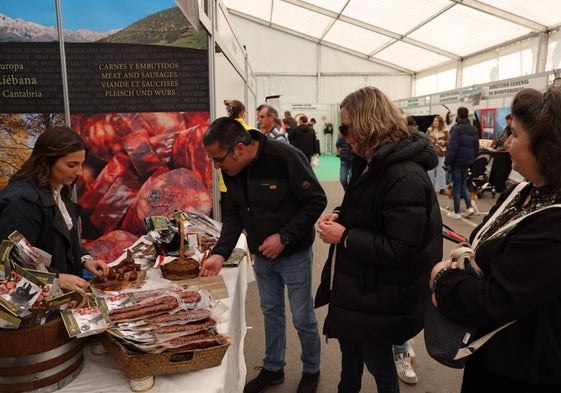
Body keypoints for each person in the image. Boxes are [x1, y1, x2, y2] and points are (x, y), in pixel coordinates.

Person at [429, 87, 561, 393]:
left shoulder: (554, 224)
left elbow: (494, 299)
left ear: (546, 146)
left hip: (522, 367)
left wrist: (441, 278)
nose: (507, 143)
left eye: (514, 134)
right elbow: (480, 248)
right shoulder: (522, 191)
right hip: (489, 353)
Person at [316, 86, 443, 393]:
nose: (343, 135)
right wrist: (339, 214)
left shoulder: (402, 174)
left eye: (346, 127)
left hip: (380, 294)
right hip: (361, 287)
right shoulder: (374, 160)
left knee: (378, 364)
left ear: (367, 125)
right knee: (352, 358)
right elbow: (368, 208)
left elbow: (401, 248)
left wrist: (344, 236)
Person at [200, 117, 327, 393]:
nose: (216, 166)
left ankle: (311, 369)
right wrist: (220, 253)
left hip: (293, 253)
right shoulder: (230, 168)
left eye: (218, 159)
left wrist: (284, 236)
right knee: (271, 312)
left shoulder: (286, 157)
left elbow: (317, 200)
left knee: (302, 315)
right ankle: (273, 367)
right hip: (262, 255)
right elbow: (234, 211)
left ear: (240, 149)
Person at [0, 127, 110, 291]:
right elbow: (11, 262)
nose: (79, 172)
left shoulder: (58, 188)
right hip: (32, 308)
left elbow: (64, 242)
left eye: (81, 164)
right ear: (46, 161)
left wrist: (84, 259)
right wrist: (56, 279)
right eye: (72, 165)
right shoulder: (21, 200)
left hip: (59, 301)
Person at [444, 106, 479, 219]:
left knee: (457, 185)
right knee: (463, 184)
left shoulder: (456, 129)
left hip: (457, 162)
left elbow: (452, 148)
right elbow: (476, 147)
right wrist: (472, 160)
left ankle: (457, 212)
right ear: (467, 115)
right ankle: (469, 207)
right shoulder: (474, 129)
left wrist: (447, 162)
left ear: (458, 115)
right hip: (468, 162)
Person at [220, 99, 253, 216]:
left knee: (230, 219)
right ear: (242, 113)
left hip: (226, 185)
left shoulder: (219, 133)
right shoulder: (252, 132)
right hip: (249, 184)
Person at [426, 115, 450, 193]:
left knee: (441, 169)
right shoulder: (429, 130)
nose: (435, 122)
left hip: (441, 151)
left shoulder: (445, 131)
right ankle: (430, 186)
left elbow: (449, 141)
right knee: (430, 169)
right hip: (431, 151)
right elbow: (425, 139)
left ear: (440, 122)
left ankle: (441, 187)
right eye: (434, 121)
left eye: (437, 121)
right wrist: (431, 141)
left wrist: (442, 142)